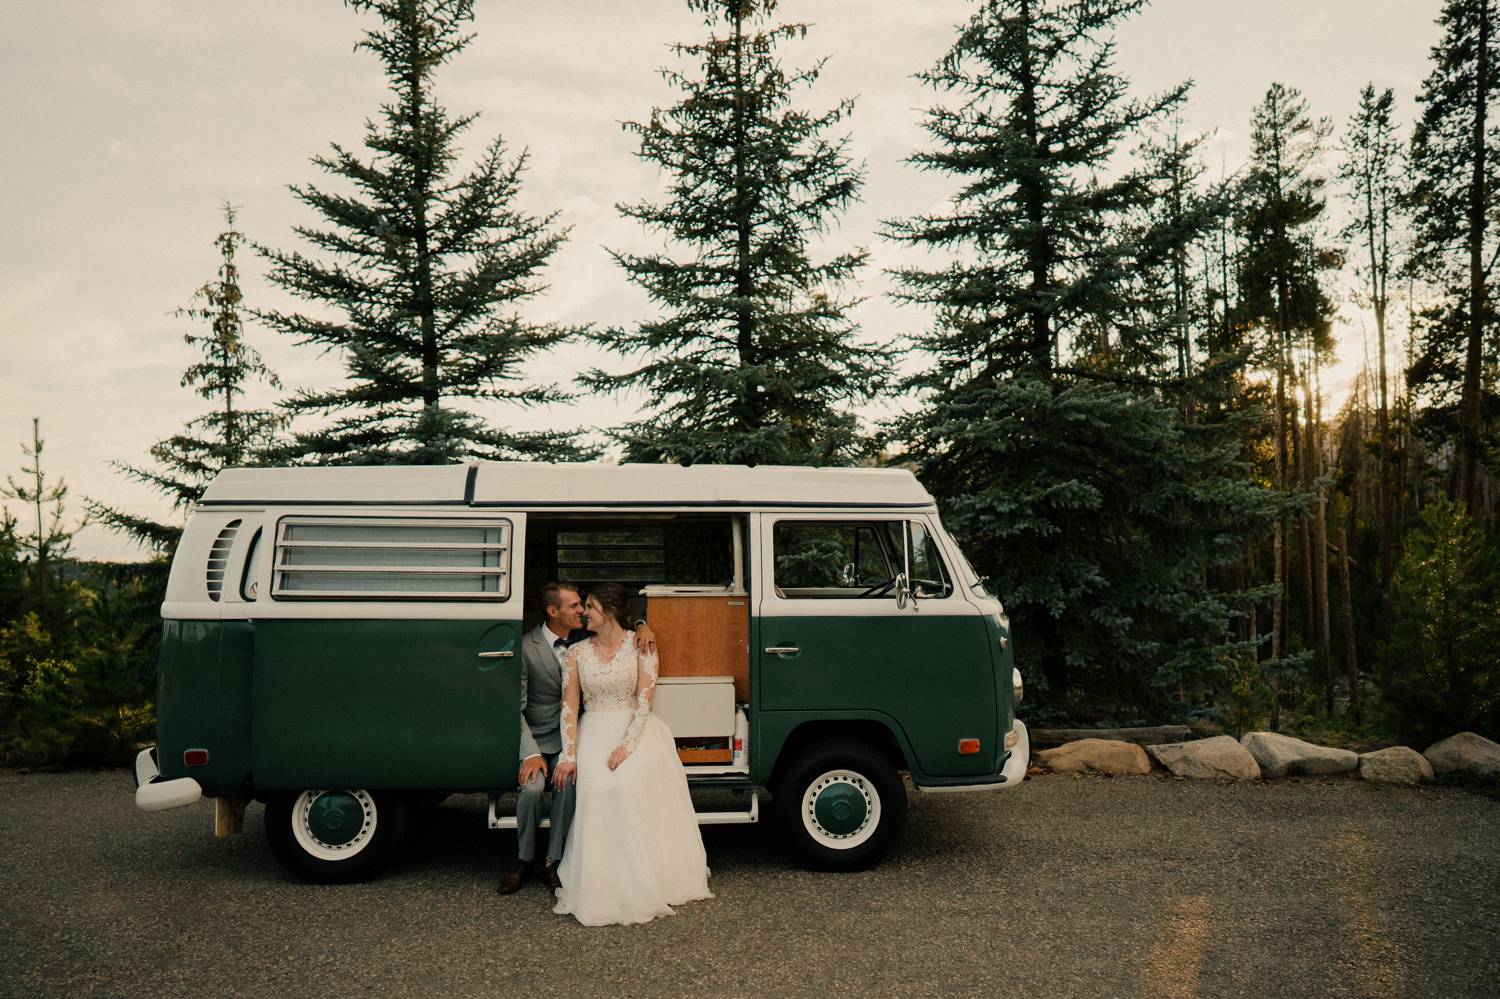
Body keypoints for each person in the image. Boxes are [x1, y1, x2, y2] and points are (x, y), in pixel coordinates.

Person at [551, 583, 712, 925]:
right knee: (596, 786)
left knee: (626, 783)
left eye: (590, 606)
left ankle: (642, 874)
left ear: (608, 610)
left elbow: (644, 700)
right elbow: (570, 705)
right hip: (593, 729)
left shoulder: (642, 646)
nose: (584, 613)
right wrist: (570, 753)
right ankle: (601, 882)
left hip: (636, 730)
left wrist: (626, 745)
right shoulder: (576, 654)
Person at [499, 581, 655, 895]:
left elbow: (616, 624)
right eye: (574, 606)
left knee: (568, 785)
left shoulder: (587, 636)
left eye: (585, 606)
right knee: (531, 791)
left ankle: (553, 861)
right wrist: (530, 752)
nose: (582, 611)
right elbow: (517, 708)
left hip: (575, 736)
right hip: (539, 739)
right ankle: (523, 859)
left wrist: (642, 625)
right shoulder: (527, 647)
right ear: (552, 611)